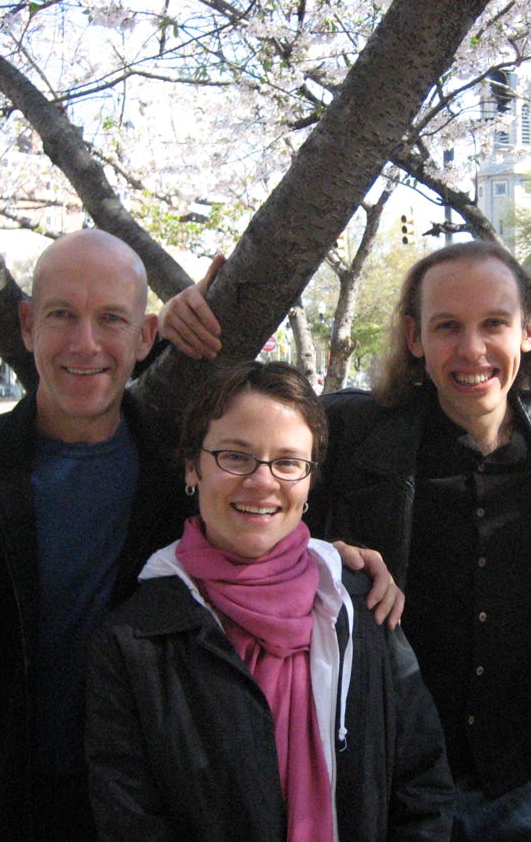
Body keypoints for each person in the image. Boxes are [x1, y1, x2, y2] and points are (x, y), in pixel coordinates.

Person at [159, 239, 531, 840]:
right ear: (415, 339)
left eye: (493, 323)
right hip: (394, 793)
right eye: (447, 327)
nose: (472, 350)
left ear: (529, 331)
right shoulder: (357, 435)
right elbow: (241, 437)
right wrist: (171, 335)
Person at [0, 230, 401, 841]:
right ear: (27, 326)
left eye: (111, 318)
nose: (86, 343)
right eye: (62, 316)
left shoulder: (175, 478)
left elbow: (256, 534)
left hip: (151, 805)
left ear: (144, 336)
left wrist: (329, 559)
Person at [85, 360, 454, 840]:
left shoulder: (361, 608)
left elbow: (422, 786)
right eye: (235, 457)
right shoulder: (133, 644)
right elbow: (132, 823)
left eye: (288, 462)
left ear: (309, 483)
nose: (262, 482)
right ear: (192, 467)